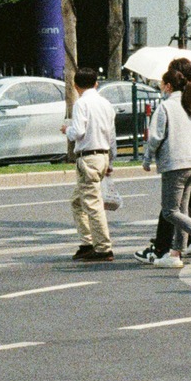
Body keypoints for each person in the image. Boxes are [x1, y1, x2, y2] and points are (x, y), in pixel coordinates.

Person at [140, 59, 191, 266]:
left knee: (170, 211)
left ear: (168, 86)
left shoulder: (165, 107)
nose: (160, 88)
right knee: (181, 210)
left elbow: (155, 137)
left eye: (161, 85)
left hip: (174, 163)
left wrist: (147, 158)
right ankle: (176, 253)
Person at [64, 68, 116, 262]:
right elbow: (112, 135)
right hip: (103, 155)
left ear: (75, 85)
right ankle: (87, 243)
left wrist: (67, 130)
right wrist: (111, 160)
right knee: (77, 201)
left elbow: (78, 132)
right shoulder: (106, 104)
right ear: (96, 83)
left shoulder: (81, 103)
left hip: (88, 157)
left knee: (92, 204)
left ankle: (103, 248)